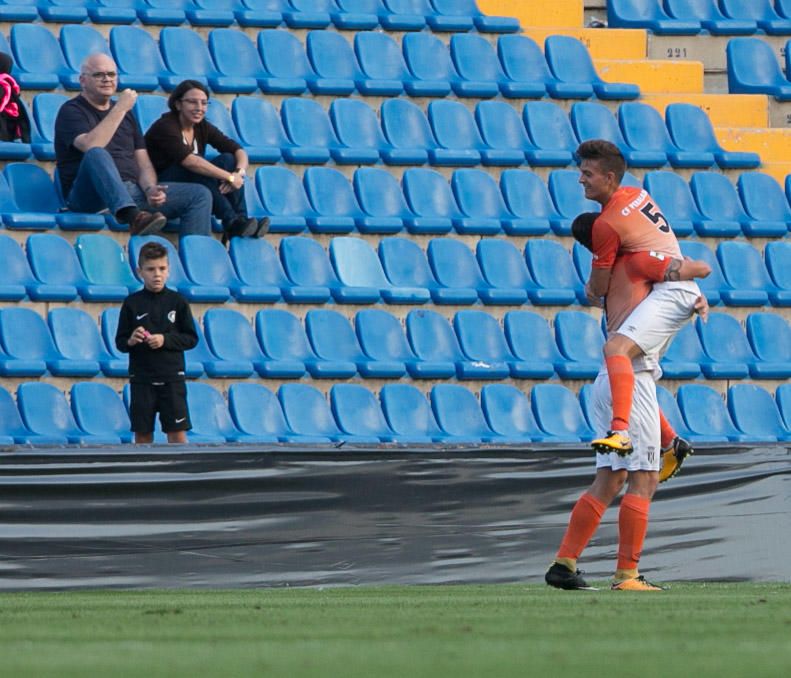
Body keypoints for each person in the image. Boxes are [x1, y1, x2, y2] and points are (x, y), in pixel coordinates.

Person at [544, 207, 710, 592]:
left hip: (612, 382)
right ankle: (627, 575)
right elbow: (691, 269)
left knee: (609, 479)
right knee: (645, 479)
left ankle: (564, 564)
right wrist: (697, 294)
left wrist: (667, 434)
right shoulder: (635, 260)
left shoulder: (605, 275)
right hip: (628, 379)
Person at [576, 139, 704, 456]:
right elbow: (663, 250)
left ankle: (620, 431)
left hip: (670, 290)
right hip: (670, 290)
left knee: (616, 348)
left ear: (608, 177)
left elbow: (602, 283)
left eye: (587, 173)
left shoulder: (610, 229)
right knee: (634, 371)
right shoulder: (638, 195)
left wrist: (591, 290)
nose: (581, 179)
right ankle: (671, 442)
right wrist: (696, 293)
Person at [54, 52, 212, 237]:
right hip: (90, 196)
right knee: (96, 153)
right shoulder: (71, 111)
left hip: (131, 192)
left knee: (199, 195)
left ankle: (196, 260)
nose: (107, 79)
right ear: (83, 81)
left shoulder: (127, 116)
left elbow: (143, 163)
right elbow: (92, 145)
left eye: (111, 74)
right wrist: (120, 108)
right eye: (99, 75)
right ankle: (133, 217)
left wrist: (150, 189)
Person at [144, 79, 268, 244]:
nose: (199, 108)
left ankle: (240, 219)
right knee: (197, 166)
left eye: (204, 103)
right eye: (192, 102)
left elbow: (238, 150)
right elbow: (190, 162)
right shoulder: (166, 126)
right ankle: (230, 221)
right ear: (178, 104)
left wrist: (238, 173)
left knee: (228, 159)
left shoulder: (201, 126)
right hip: (163, 187)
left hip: (192, 179)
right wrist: (229, 178)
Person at [115, 241, 198, 444]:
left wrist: (165, 339)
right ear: (139, 271)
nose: (157, 274)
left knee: (177, 433)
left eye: (162, 268)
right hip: (142, 379)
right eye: (151, 269)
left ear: (169, 270)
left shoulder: (178, 301)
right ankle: (142, 474)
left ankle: (181, 474)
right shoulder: (131, 303)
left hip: (172, 378)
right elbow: (120, 342)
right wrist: (132, 341)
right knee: (142, 434)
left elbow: (191, 338)